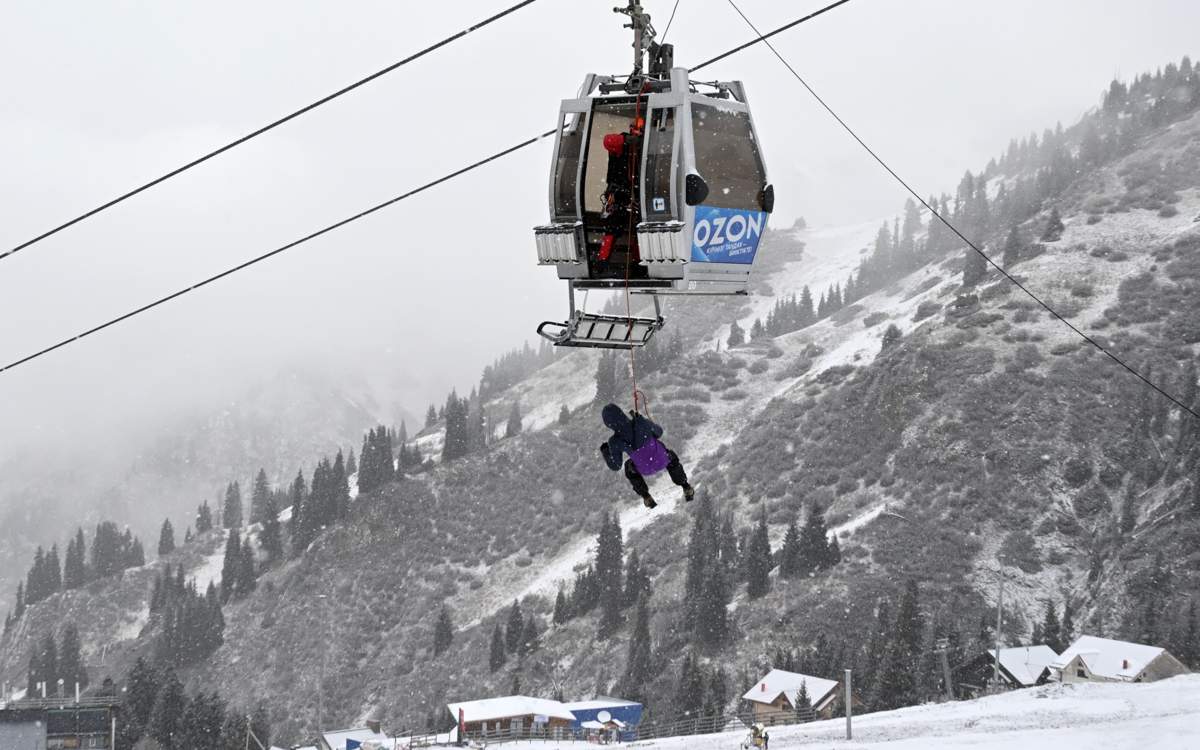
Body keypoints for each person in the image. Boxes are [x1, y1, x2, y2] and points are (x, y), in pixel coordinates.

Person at [599, 403, 694, 508]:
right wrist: (642, 422)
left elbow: (615, 466)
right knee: (671, 456)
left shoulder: (614, 441)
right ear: (621, 413)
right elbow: (659, 433)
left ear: (608, 424)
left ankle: (646, 496)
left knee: (628, 467)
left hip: (644, 469)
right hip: (662, 459)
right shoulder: (641, 422)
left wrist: (605, 451)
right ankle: (686, 486)